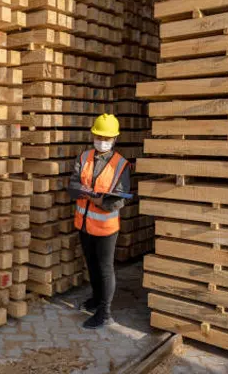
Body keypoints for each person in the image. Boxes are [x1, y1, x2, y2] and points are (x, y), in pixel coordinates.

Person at [68, 113, 130, 329]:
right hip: (84, 224)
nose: (101, 141)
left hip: (105, 228)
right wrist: (90, 193)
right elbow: (73, 187)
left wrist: (95, 198)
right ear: (93, 135)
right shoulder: (84, 158)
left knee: (105, 268)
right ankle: (95, 299)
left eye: (106, 137)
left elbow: (117, 201)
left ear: (114, 139)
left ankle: (105, 313)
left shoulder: (120, 165)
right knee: (91, 264)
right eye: (98, 136)